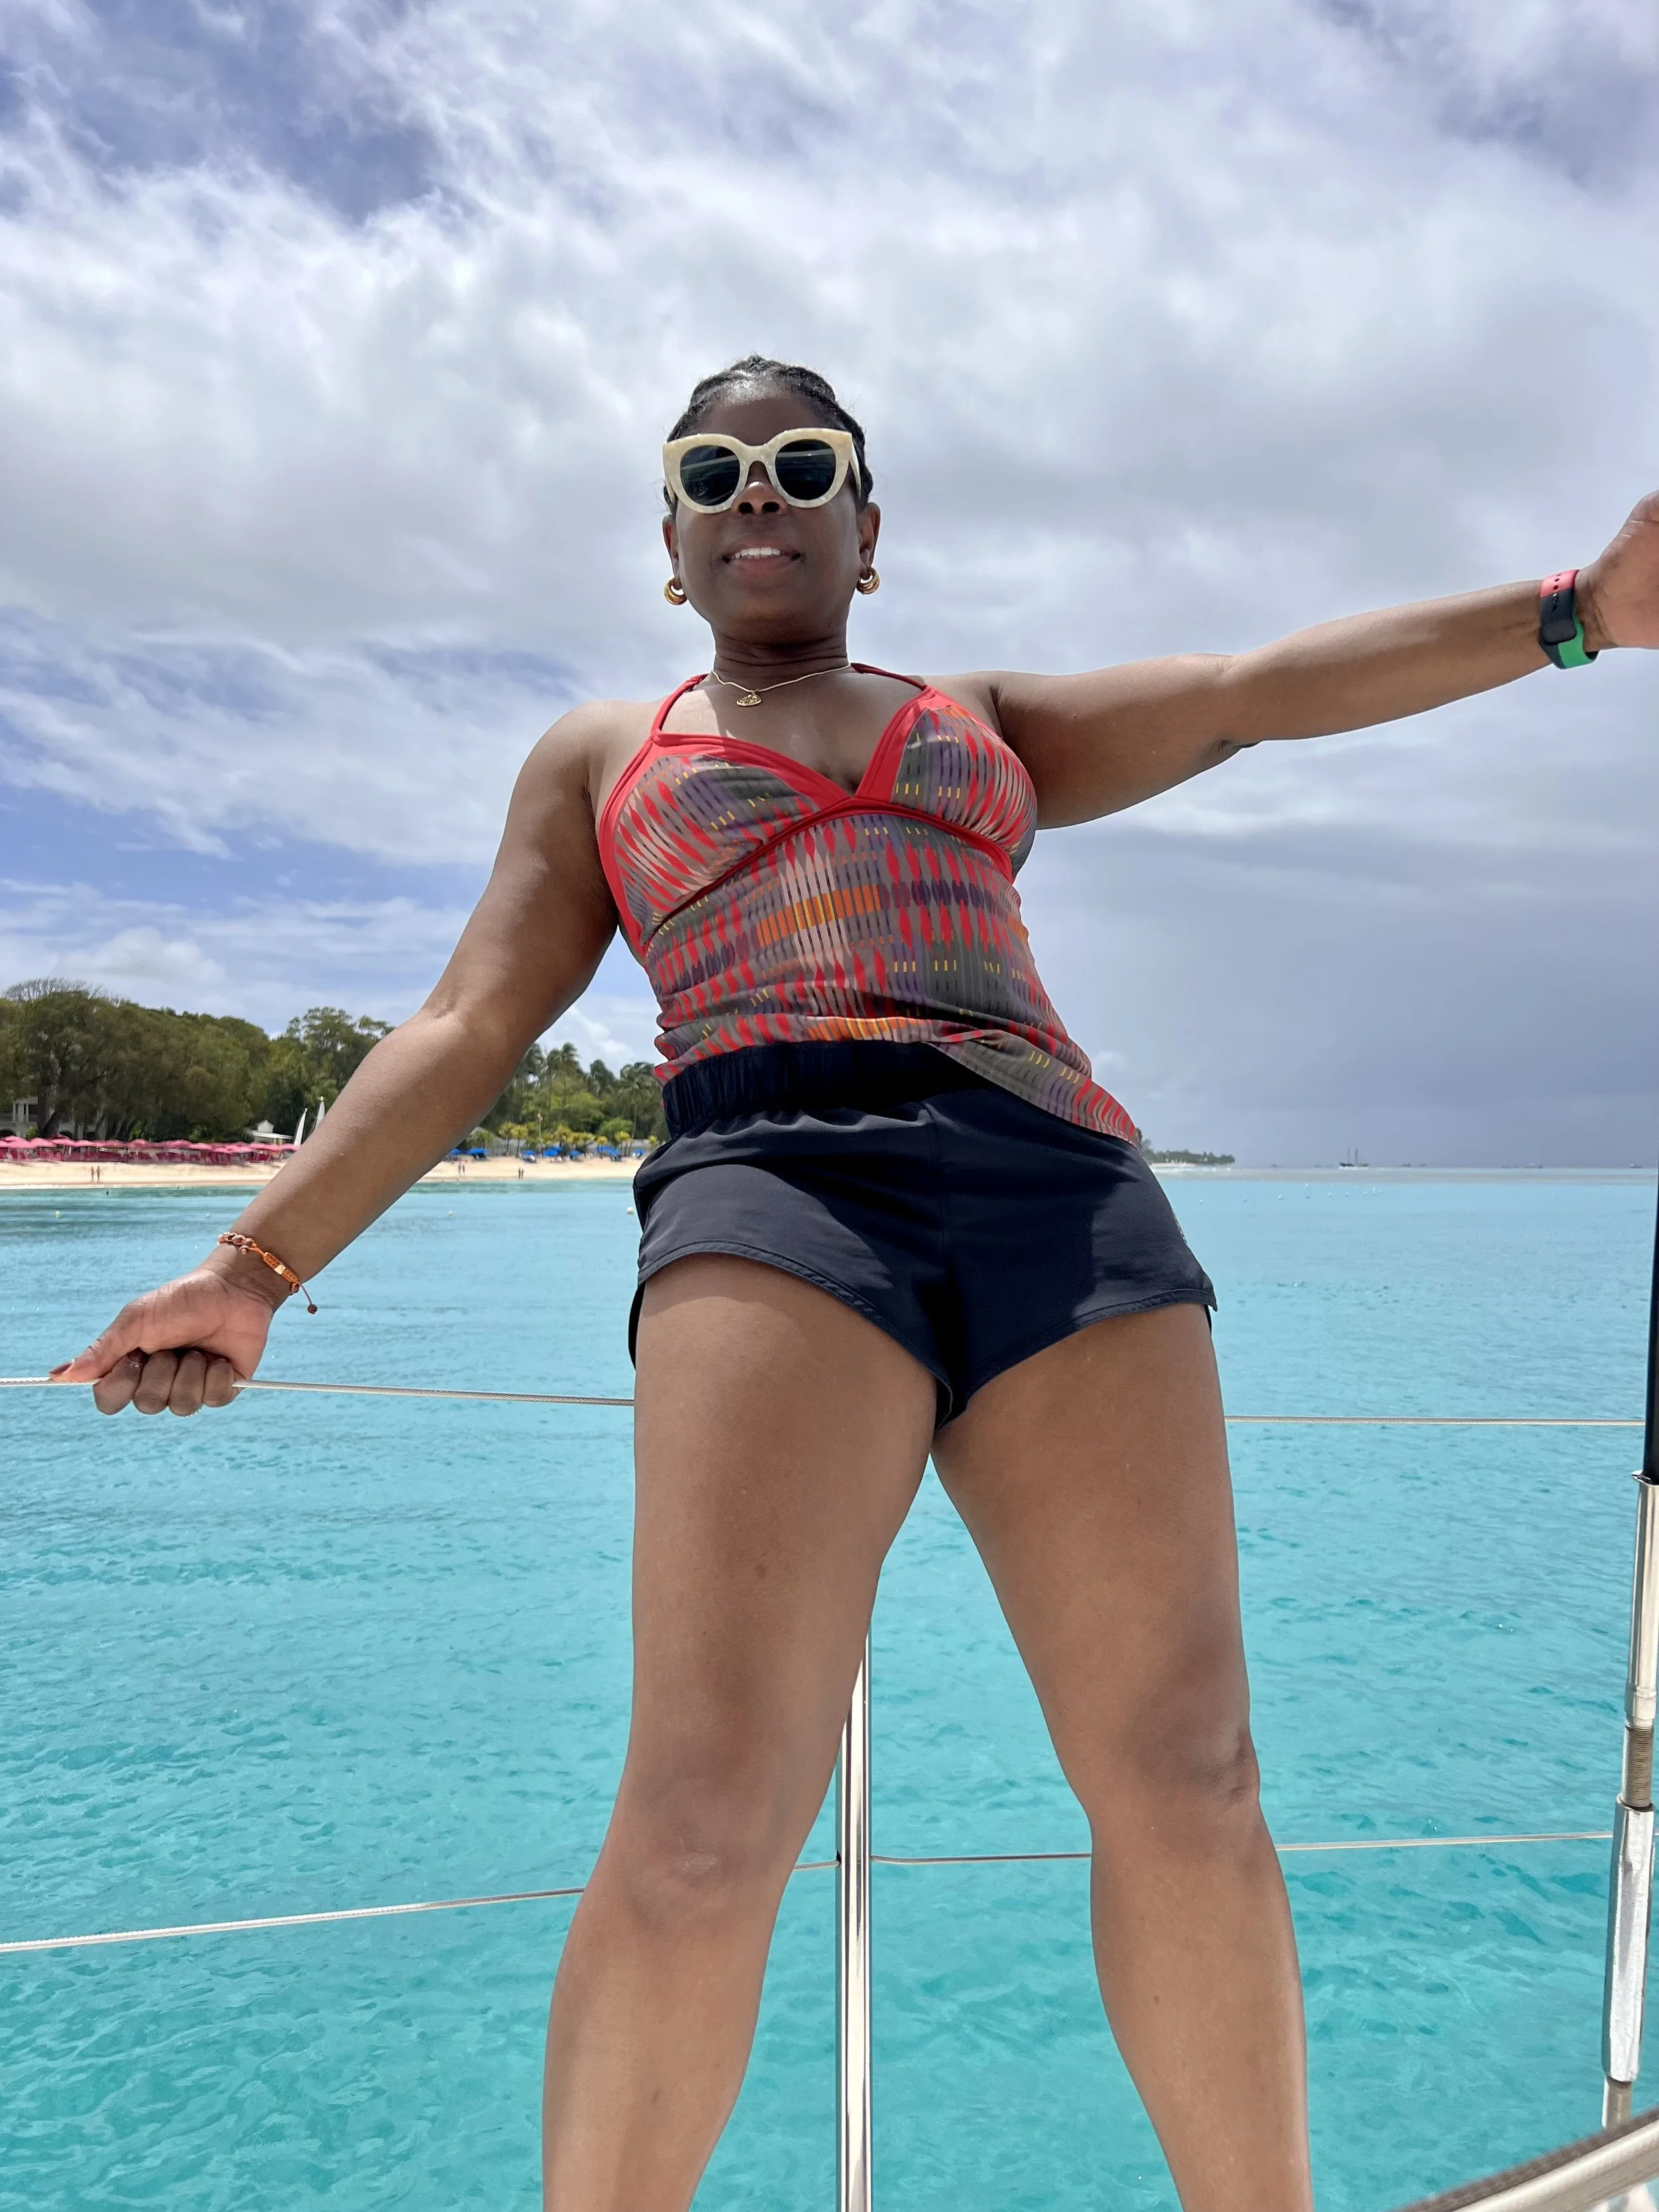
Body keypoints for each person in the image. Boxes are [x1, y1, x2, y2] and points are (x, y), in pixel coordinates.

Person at [54, 353, 1659, 2210]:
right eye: (714, 468)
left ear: (864, 530)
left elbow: (1248, 695)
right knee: (704, 1826)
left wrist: (1574, 616)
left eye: (802, 463)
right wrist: (252, 1264)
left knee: (1190, 1777)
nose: (759, 489)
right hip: (770, 1181)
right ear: (669, 540)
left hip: (1059, 1188)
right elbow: (472, 1017)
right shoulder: (601, 752)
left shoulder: (978, 716)